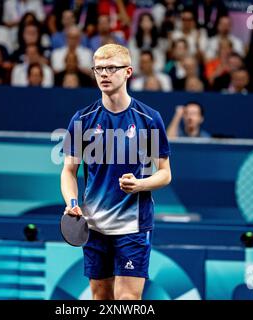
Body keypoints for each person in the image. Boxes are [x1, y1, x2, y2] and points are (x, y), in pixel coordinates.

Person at [60, 44, 172, 300]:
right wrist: (72, 203)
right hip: (94, 224)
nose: (104, 74)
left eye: (111, 68)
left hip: (133, 225)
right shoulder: (82, 120)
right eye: (98, 69)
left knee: (128, 300)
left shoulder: (148, 119)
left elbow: (165, 173)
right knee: (101, 298)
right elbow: (69, 171)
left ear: (128, 72)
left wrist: (140, 185)